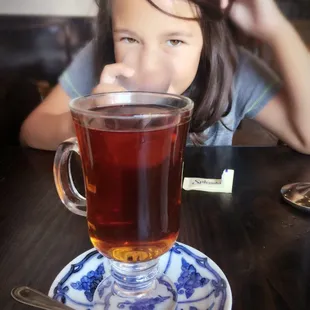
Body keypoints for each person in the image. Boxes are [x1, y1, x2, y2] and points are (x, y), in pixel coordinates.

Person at [20, 0, 310, 153]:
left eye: (174, 41)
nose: (147, 67)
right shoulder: (99, 59)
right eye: (130, 40)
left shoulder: (236, 69)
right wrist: (89, 119)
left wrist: (275, 29)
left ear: (207, 42)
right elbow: (31, 132)